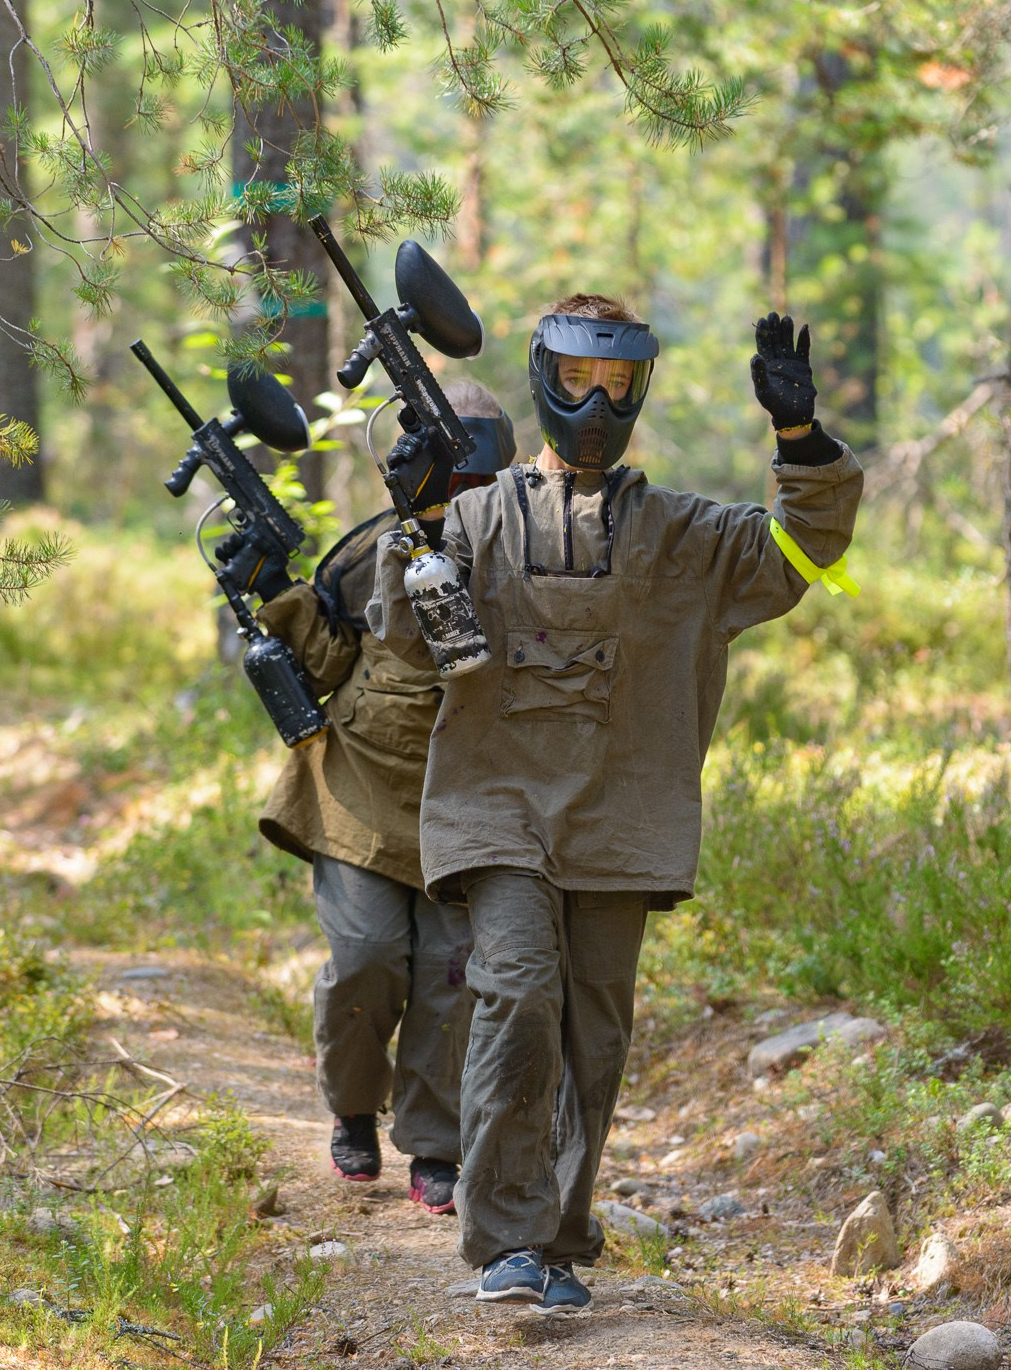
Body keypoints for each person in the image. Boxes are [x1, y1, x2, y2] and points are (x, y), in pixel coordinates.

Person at [367, 298, 862, 1314]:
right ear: (545, 375)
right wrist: (410, 524)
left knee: (592, 1033)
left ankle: (554, 1238)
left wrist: (799, 437)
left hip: (623, 815)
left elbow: (808, 550)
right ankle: (503, 1239)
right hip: (494, 807)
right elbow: (405, 643)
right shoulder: (474, 516)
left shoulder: (688, 534)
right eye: (581, 380)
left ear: (642, 387)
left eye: (620, 385)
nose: (599, 404)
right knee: (516, 994)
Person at [218, 380, 518, 1214]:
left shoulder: (523, 556)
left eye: (465, 469)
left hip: (468, 809)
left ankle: (434, 1143)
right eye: (435, 466)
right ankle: (352, 1103)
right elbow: (324, 662)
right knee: (365, 958)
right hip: (356, 794)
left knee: (449, 978)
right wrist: (274, 587)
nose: (448, 486)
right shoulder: (366, 555)